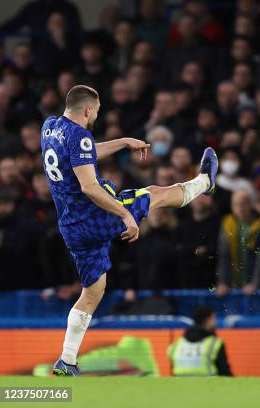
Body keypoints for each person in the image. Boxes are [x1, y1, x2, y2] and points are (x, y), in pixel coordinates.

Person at [44, 85, 218, 376]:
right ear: (88, 110)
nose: (96, 116)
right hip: (95, 216)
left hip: (70, 226)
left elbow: (83, 154)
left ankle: (67, 359)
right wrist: (125, 215)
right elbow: (89, 186)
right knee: (153, 194)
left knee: (93, 291)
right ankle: (204, 182)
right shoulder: (80, 135)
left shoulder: (50, 128)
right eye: (96, 111)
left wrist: (123, 142)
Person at [168, 305, 232, 376]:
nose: (215, 322)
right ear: (207, 320)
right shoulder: (214, 344)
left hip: (180, 384)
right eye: (213, 318)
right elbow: (224, 371)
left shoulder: (177, 343)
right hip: (209, 384)